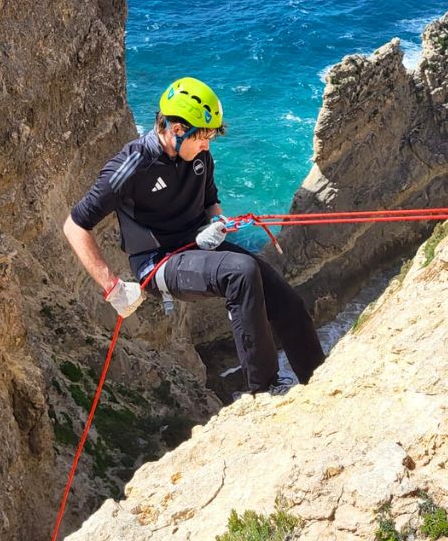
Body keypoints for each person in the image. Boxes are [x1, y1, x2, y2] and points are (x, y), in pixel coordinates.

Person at [63, 76, 325, 396]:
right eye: (202, 138)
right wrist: (111, 286)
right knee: (241, 272)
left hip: (197, 245)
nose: (207, 145)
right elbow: (75, 226)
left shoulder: (199, 157)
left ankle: (318, 377)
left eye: (210, 137)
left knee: (283, 296)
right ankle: (266, 388)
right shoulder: (131, 166)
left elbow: (210, 201)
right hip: (158, 263)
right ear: (176, 129)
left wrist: (216, 223)